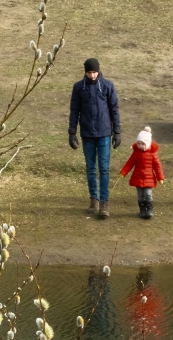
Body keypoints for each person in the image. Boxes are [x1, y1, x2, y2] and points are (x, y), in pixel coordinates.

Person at [69, 58, 121, 219]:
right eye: (89, 72)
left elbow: (114, 109)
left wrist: (117, 131)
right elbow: (74, 110)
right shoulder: (79, 88)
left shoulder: (107, 86)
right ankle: (94, 200)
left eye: (94, 72)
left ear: (98, 71)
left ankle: (104, 203)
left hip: (104, 133)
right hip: (87, 134)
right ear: (85, 72)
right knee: (91, 168)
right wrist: (72, 132)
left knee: (104, 169)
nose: (92, 75)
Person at [119, 126, 165, 219]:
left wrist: (160, 177)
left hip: (149, 178)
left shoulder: (153, 154)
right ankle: (142, 210)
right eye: (138, 143)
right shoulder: (135, 153)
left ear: (147, 143)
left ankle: (150, 210)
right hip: (138, 177)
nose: (140, 146)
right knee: (140, 195)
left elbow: (157, 166)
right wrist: (123, 172)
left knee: (148, 194)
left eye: (142, 144)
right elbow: (129, 163)